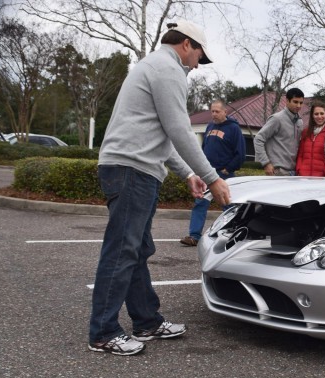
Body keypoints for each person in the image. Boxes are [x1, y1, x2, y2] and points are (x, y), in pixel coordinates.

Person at [88, 19, 231, 356]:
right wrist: (211, 176)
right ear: (186, 45)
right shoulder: (167, 69)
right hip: (131, 170)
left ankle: (147, 322)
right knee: (123, 250)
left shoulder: (153, 65)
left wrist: (186, 174)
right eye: (199, 56)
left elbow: (161, 135)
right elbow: (180, 130)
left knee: (135, 251)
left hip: (131, 167)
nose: (197, 65)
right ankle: (103, 331)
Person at [180, 99, 246, 246]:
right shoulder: (210, 126)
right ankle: (194, 236)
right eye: (212, 111)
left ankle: (234, 233)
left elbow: (240, 154)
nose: (214, 114)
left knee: (228, 206)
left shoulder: (234, 129)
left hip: (224, 175)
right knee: (200, 203)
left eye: (217, 111)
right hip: (207, 173)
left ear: (225, 112)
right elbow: (204, 149)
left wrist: (228, 168)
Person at [254, 88, 304, 176]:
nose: (298, 105)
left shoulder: (300, 122)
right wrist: (266, 163)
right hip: (278, 172)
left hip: (294, 172)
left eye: (301, 103)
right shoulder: (277, 119)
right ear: (287, 101)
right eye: (295, 102)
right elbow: (258, 139)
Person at [295, 100, 325, 177]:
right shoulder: (305, 132)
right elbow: (300, 154)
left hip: (322, 178)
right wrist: (299, 169)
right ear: (312, 116)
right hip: (303, 177)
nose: (319, 116)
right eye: (316, 114)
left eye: (322, 113)